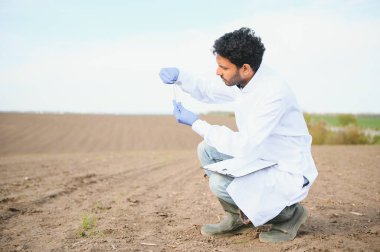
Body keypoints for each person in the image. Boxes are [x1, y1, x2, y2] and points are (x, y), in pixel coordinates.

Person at [158, 27, 318, 243]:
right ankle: (238, 219)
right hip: (261, 155)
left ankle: (289, 215)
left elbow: (244, 146)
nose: (217, 72)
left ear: (244, 68)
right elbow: (208, 91)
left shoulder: (272, 93)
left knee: (221, 184)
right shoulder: (245, 79)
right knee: (207, 150)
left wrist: (196, 123)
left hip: (286, 168)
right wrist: (180, 76)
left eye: (223, 67)